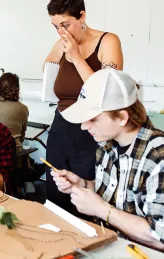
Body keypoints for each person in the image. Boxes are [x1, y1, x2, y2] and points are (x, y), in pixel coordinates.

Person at [51, 69, 164, 259]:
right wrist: (83, 185)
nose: (84, 126)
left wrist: (102, 210)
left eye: (93, 118)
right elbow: (115, 196)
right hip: (115, 252)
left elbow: (163, 238)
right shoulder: (106, 146)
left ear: (122, 118)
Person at [44, 0, 123, 214]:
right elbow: (47, 72)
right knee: (56, 191)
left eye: (65, 24)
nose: (61, 32)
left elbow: (107, 94)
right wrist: (60, 55)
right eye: (55, 26)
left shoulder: (107, 41)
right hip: (61, 126)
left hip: (92, 130)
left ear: (82, 17)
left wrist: (77, 57)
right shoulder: (60, 43)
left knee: (87, 198)